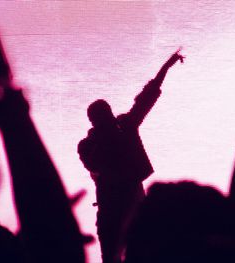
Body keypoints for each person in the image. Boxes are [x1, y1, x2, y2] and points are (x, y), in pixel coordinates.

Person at [77, 50, 184, 263]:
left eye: (107, 114)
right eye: (102, 117)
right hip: (112, 212)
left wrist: (166, 66)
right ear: (94, 121)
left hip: (132, 205)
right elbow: (94, 165)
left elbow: (147, 96)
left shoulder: (125, 127)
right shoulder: (89, 145)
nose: (108, 119)